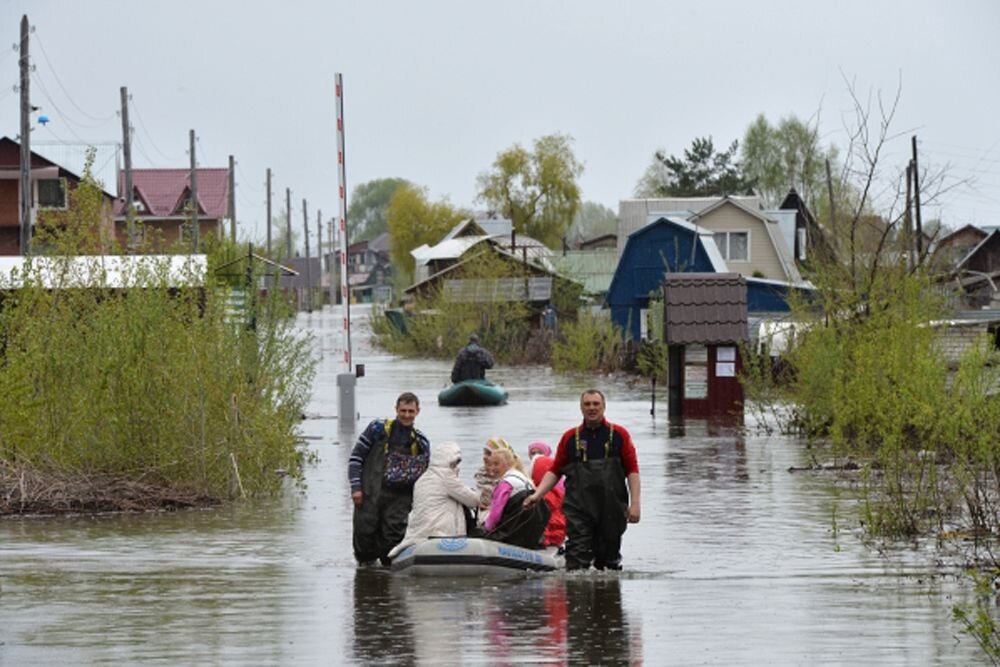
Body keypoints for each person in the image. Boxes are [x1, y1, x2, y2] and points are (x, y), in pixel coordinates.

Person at [524, 389, 641, 570]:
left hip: (611, 509)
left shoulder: (619, 435)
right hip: (578, 508)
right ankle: (577, 595)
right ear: (581, 408)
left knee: (608, 561)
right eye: (587, 404)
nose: (592, 408)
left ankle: (608, 595)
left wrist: (635, 504)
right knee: (577, 560)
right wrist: (537, 495)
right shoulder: (570, 438)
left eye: (596, 404)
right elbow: (555, 471)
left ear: (604, 407)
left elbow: (632, 471)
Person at [349, 392, 431, 566]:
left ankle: (388, 583)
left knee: (392, 544)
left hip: (400, 500)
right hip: (370, 493)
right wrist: (355, 488)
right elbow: (356, 458)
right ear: (396, 409)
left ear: (418, 411)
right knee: (364, 539)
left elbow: (427, 476)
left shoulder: (421, 441)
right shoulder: (376, 430)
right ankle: (366, 580)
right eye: (403, 411)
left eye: (411, 411)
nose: (406, 415)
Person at [387, 441, 479, 558]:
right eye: (455, 463)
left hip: (417, 538)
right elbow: (474, 500)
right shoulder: (446, 477)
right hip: (437, 538)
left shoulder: (422, 479)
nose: (457, 467)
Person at [483, 445, 550, 548]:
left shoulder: (506, 483)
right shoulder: (524, 479)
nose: (492, 468)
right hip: (527, 533)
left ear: (509, 463)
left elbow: (495, 514)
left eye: (497, 464)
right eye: (491, 464)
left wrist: (485, 528)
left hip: (511, 533)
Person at [527, 441, 567, 549]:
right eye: (533, 453)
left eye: (539, 452)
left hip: (550, 535)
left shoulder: (549, 493)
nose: (536, 455)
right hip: (558, 533)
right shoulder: (559, 487)